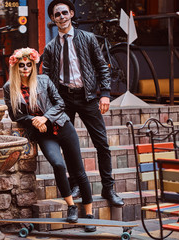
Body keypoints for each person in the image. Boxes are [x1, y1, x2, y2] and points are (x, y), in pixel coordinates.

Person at [3, 47, 96, 232]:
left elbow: (60, 103)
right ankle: (71, 206)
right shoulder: (9, 88)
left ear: (34, 65)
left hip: (62, 126)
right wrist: (34, 121)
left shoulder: (44, 80)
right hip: (43, 134)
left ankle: (89, 214)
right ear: (15, 67)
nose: (25, 69)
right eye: (21, 65)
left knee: (78, 171)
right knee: (58, 164)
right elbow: (16, 116)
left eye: (29, 65)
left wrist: (45, 118)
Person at [42, 0, 124, 207]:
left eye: (64, 13)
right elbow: (46, 78)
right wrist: (49, 105)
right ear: (52, 19)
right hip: (63, 100)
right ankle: (76, 184)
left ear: (71, 14)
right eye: (56, 14)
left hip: (87, 98)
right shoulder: (50, 47)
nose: (61, 17)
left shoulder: (87, 39)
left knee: (102, 144)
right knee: (69, 146)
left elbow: (102, 67)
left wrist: (105, 93)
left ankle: (108, 188)